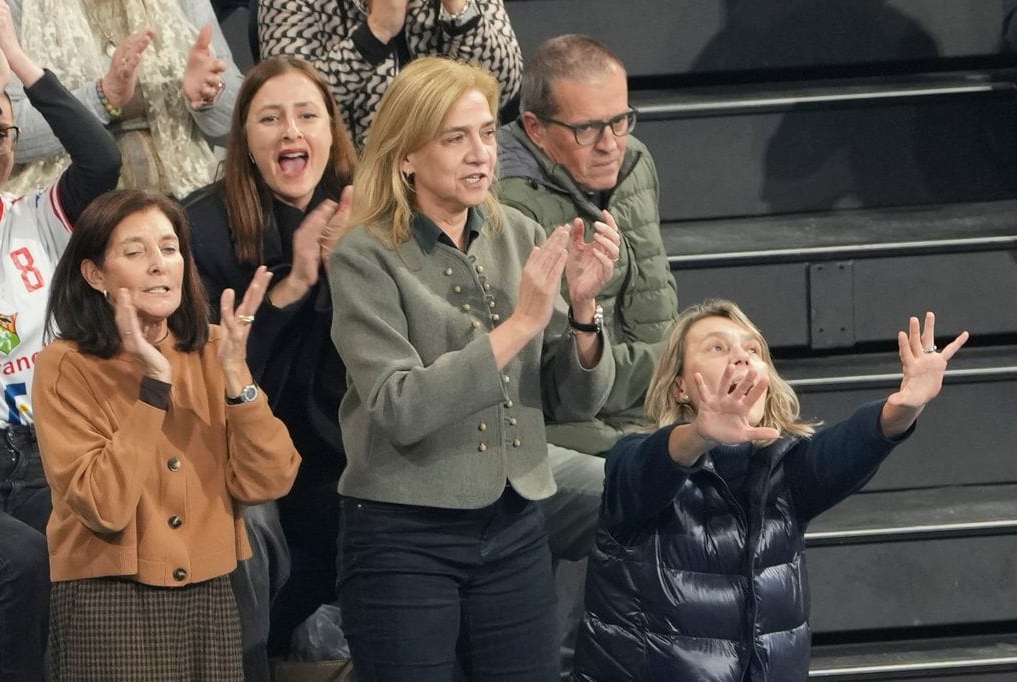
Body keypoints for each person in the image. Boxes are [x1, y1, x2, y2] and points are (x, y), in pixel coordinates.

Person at [327, 56, 618, 681]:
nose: (480, 153)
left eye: (486, 133)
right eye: (455, 138)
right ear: (407, 155)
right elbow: (400, 407)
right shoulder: (364, 255)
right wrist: (520, 325)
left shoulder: (520, 233)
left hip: (512, 525)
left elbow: (573, 401)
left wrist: (584, 311)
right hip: (402, 534)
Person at [572, 300, 969, 681]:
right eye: (717, 348)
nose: (741, 357)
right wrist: (699, 434)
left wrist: (905, 406)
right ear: (680, 387)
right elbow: (644, 472)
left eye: (753, 349)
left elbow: (853, 444)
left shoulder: (786, 471)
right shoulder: (636, 459)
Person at [32, 189, 301, 680]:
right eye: (135, 252)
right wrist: (154, 388)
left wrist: (238, 381)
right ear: (95, 275)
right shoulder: (65, 365)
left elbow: (269, 480)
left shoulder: (216, 348)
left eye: (170, 248)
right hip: (109, 601)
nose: (159, 264)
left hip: (212, 596)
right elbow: (103, 505)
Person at [496, 33, 679, 674]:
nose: (611, 143)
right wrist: (662, 375)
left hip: (634, 412)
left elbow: (658, 319)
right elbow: (556, 386)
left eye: (621, 120)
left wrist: (666, 389)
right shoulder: (506, 204)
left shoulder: (635, 164)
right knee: (644, 497)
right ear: (535, 129)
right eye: (587, 129)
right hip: (552, 430)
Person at [183, 54, 356, 665]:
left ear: (331, 130)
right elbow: (207, 379)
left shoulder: (371, 210)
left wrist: (358, 271)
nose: (290, 132)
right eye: (270, 119)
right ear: (245, 139)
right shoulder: (200, 227)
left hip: (351, 438)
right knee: (252, 525)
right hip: (247, 446)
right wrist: (294, 285)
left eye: (307, 116)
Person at [0, 2, 121, 677]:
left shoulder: (38, 217)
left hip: (47, 454)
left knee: (117, 531)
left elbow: (101, 158)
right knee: (23, 560)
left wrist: (18, 62)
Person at [5, 0, 242, 198]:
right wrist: (103, 97)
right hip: (73, 209)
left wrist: (209, 93)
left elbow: (233, 114)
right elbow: (9, 135)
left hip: (185, 193)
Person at [256, 0, 523, 148]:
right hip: (348, 182)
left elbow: (504, 86)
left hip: (453, 167)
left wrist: (460, 11)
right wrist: (375, 34)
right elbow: (288, 102)